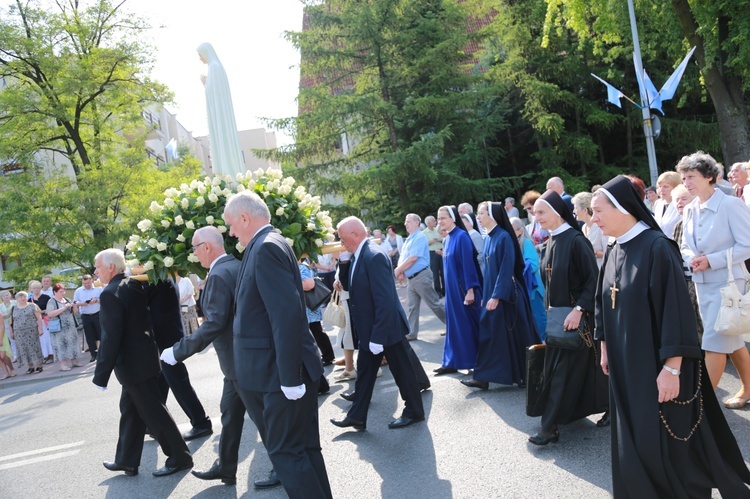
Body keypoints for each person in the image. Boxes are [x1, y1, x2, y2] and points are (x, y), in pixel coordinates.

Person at [592, 175, 750, 497]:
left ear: (622, 209)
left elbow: (676, 314)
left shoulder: (657, 248)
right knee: (633, 434)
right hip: (624, 364)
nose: (593, 219)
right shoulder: (613, 249)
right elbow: (603, 304)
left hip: (658, 366)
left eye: (598, 211)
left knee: (665, 441)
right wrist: (605, 347)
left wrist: (672, 369)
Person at [224, 190, 332, 499]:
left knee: (286, 452)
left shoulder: (266, 247)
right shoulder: (269, 243)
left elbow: (285, 315)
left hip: (279, 374)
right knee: (305, 450)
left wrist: (289, 378)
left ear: (245, 218)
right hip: (281, 370)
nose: (231, 232)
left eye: (232, 224)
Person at [160, 227, 280, 489]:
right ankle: (226, 466)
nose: (193, 254)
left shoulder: (217, 273)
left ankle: (283, 467)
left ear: (206, 247)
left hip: (239, 362)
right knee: (230, 415)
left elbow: (214, 323)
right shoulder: (237, 265)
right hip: (238, 362)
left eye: (194, 248)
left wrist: (178, 351)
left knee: (262, 419)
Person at [93, 248, 192, 477]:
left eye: (97, 266)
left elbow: (111, 336)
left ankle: (180, 457)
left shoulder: (110, 293)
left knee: (154, 413)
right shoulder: (132, 284)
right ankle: (127, 460)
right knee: (130, 411)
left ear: (111, 267)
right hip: (144, 360)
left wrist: (101, 375)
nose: (95, 271)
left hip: (133, 366)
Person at [330, 216, 425, 431]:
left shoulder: (373, 255)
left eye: (343, 239)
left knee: (403, 372)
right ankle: (357, 416)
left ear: (356, 234)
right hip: (371, 329)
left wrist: (378, 337)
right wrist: (344, 260)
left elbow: (385, 301)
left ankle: (414, 411)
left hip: (385, 328)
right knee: (364, 373)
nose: (341, 243)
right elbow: (347, 285)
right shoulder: (357, 255)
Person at [528, 190, 607, 445]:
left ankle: (549, 427)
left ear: (558, 213)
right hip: (557, 321)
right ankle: (609, 407)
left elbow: (592, 280)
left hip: (576, 320)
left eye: (541, 212)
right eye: (535, 212)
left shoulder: (575, 240)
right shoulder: (550, 241)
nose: (535, 216)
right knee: (583, 371)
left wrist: (579, 310)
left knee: (562, 374)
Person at [678, 152, 750, 409]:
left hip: (727, 283)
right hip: (702, 283)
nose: (686, 182)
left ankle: (702, 407)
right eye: (684, 177)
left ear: (709, 177)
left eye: (691, 177)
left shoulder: (730, 204)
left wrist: (712, 260)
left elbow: (748, 245)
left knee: (715, 344)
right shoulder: (689, 209)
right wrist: (692, 259)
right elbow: (685, 245)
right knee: (730, 339)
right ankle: (747, 389)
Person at [462, 202, 539, 390]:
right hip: (494, 295)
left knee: (517, 337)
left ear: (493, 215)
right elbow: (488, 272)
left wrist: (496, 296)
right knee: (491, 335)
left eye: (481, 213)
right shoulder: (488, 238)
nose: (477, 217)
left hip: (508, 297)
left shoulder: (504, 237)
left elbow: (506, 270)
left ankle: (529, 374)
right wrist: (486, 294)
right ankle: (483, 376)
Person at [147, 277, 213, 441]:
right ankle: (155, 423)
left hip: (167, 340)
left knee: (177, 381)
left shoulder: (157, 281)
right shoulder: (162, 280)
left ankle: (201, 422)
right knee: (162, 379)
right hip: (167, 338)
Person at [435, 205, 482, 375]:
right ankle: (451, 361)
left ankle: (476, 361)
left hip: (463, 291)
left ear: (453, 218)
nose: (440, 221)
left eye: (443, 218)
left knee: (467, 327)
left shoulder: (462, 237)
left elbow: (469, 265)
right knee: (454, 327)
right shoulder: (447, 239)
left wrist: (471, 290)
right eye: (438, 218)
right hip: (452, 292)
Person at [394, 213, 446, 341]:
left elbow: (413, 258)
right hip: (412, 278)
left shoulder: (419, 237)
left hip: (421, 276)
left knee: (434, 304)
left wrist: (399, 270)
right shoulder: (410, 238)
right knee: (412, 306)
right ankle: (411, 332)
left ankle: (453, 325)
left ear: (417, 222)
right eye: (405, 221)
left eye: (408, 221)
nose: (405, 223)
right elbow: (404, 257)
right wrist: (401, 272)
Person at [197, 42, 244, 177]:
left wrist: (206, 85)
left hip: (221, 115)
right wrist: (207, 84)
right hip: (218, 113)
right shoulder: (214, 68)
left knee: (224, 141)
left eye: (200, 55)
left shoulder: (215, 68)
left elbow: (216, 93)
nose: (200, 58)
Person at [671, 184, 704, 340]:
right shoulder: (678, 226)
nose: (679, 203)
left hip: (701, 276)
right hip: (685, 278)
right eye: (676, 200)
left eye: (684, 199)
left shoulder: (701, 222)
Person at [510, 217, 547, 337]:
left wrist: (517, 269)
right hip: (522, 287)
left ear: (520, 230)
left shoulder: (526, 242)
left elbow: (533, 264)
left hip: (532, 288)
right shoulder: (513, 243)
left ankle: (543, 342)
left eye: (512, 230)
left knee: (538, 317)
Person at [299, 258, 335, 369]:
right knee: (316, 331)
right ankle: (327, 355)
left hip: (309, 307)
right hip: (308, 306)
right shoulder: (302, 266)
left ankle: (327, 356)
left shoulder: (301, 267)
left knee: (316, 332)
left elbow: (309, 284)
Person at [45, 283, 81, 371]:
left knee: (72, 342)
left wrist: (75, 306)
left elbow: (75, 312)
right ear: (55, 292)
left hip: (70, 326)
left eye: (64, 291)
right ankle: (63, 365)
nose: (63, 293)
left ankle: (74, 361)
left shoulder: (67, 299)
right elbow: (50, 313)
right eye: (61, 291)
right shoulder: (51, 301)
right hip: (59, 328)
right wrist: (64, 308)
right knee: (61, 345)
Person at [8, 292, 44, 374]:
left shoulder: (32, 306)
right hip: (19, 332)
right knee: (24, 349)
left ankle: (38, 365)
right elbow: (11, 322)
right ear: (17, 299)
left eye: (24, 296)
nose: (22, 298)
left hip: (31, 331)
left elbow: (39, 318)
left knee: (34, 348)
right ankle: (30, 366)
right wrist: (11, 332)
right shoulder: (14, 308)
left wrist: (41, 329)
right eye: (20, 297)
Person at [572, 192, 607, 268]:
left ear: (585, 210)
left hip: (601, 271)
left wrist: (595, 253)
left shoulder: (600, 227)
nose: (574, 211)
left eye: (575, 208)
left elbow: (610, 254)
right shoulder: (584, 227)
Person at [73, 275, 102, 362]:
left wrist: (96, 300)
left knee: (101, 333)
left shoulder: (99, 288)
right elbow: (74, 302)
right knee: (89, 335)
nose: (87, 285)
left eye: (88, 283)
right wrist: (81, 303)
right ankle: (93, 354)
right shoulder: (78, 290)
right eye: (84, 283)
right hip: (85, 315)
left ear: (92, 281)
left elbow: (104, 299)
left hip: (97, 314)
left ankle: (103, 352)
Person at [28, 280, 53, 364]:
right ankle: (45, 355)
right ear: (31, 289)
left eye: (38, 288)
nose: (36, 290)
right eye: (34, 288)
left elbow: (50, 308)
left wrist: (41, 312)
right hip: (37, 322)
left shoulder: (46, 297)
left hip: (46, 320)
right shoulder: (29, 300)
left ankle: (51, 355)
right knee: (41, 339)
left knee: (48, 338)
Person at [653, 171, 682, 239]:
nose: (661, 190)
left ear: (676, 188)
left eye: (665, 187)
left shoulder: (681, 204)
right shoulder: (658, 204)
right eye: (660, 186)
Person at [422, 215, 445, 298]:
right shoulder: (424, 233)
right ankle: (437, 291)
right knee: (435, 273)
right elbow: (423, 245)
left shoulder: (437, 230)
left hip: (441, 251)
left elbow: (444, 238)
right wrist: (430, 242)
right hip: (432, 253)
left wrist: (440, 239)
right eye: (434, 221)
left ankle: (445, 290)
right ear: (428, 223)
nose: (436, 222)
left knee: (443, 271)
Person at [0, 291, 17, 362]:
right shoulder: (0, 306)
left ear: (10, 296)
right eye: (4, 296)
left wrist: (6, 315)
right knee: (12, 340)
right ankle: (15, 356)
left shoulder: (15, 302)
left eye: (7, 295)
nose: (6, 297)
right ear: (2, 298)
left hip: (15, 323)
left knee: (18, 339)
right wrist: (9, 314)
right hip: (6, 325)